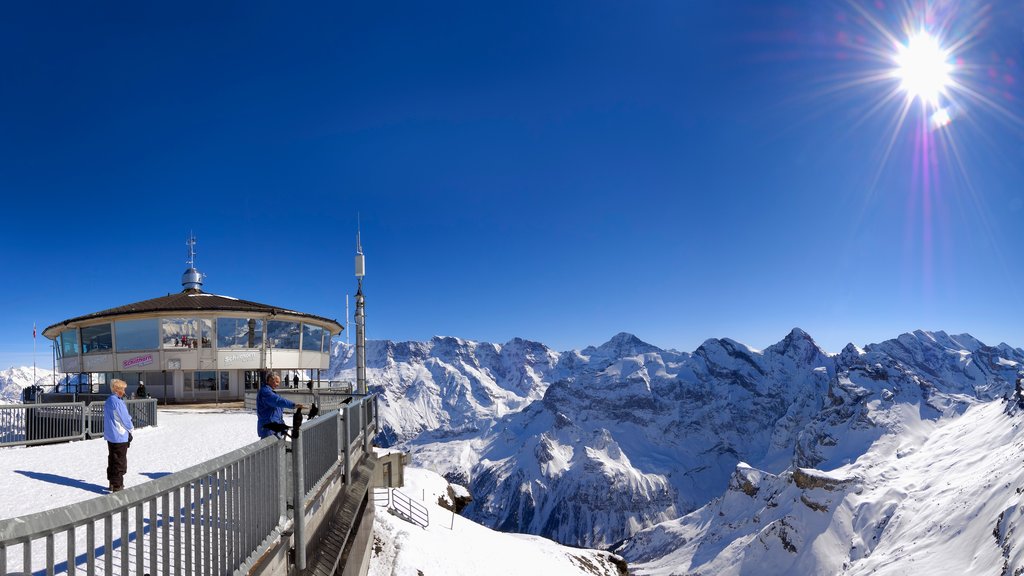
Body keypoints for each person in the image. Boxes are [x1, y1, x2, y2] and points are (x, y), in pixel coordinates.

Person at [103, 379, 134, 492]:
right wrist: (130, 428)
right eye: (123, 388)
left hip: (111, 435)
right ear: (118, 389)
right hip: (119, 435)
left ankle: (112, 482)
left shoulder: (109, 400)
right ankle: (117, 486)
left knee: (112, 458)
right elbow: (125, 418)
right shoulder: (117, 401)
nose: (124, 390)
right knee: (119, 461)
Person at [256, 372, 303, 438]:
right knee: (271, 447)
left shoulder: (271, 393)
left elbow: (277, 413)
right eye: (276, 382)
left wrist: (282, 425)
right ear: (270, 380)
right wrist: (293, 405)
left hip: (275, 428)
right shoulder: (265, 393)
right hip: (269, 429)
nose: (278, 385)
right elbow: (277, 401)